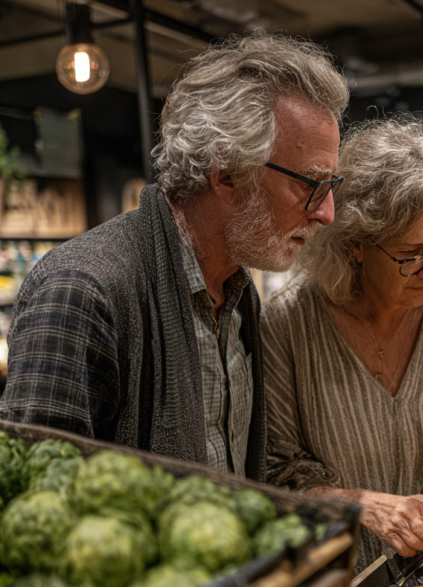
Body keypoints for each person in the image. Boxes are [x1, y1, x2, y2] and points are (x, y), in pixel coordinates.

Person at [0, 34, 348, 481]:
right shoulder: (82, 290)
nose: (327, 213)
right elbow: (34, 501)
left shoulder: (238, 290)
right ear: (227, 174)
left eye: (330, 187)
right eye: (310, 184)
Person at [261, 118, 423, 570]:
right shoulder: (288, 327)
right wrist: (362, 505)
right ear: (355, 245)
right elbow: (275, 473)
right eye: (410, 254)